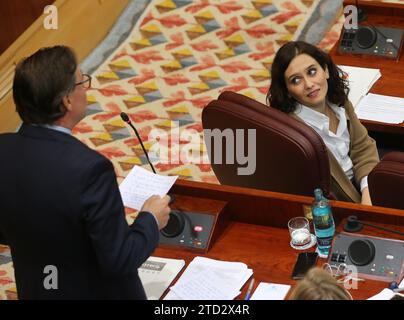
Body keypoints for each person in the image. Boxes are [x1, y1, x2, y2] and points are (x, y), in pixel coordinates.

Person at [0, 45, 171, 299]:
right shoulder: (91, 170)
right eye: (83, 82)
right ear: (67, 100)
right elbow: (120, 259)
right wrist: (150, 220)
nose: (86, 89)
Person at [267, 41, 379, 205]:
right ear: (287, 91)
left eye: (312, 72)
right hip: (336, 203)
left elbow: (363, 149)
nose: (309, 84)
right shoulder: (295, 135)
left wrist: (367, 191)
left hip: (362, 188)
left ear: (325, 70)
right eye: (296, 80)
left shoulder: (338, 102)